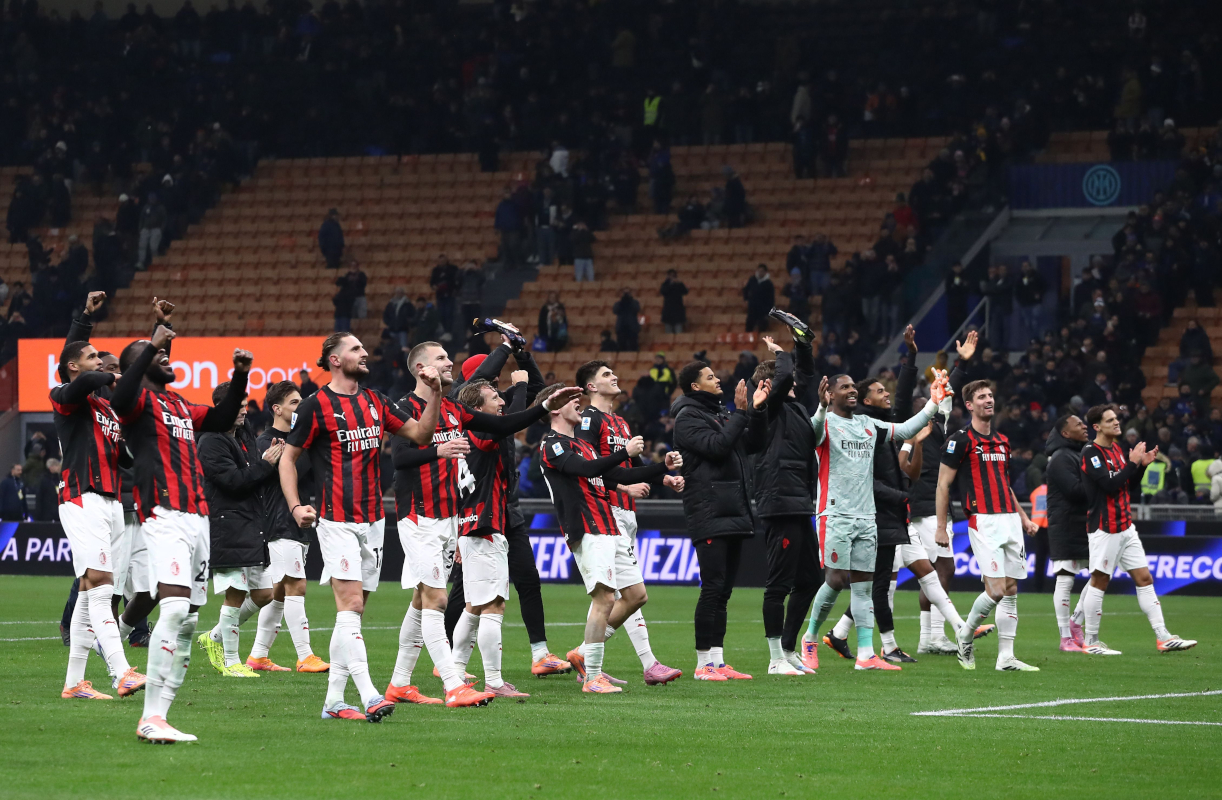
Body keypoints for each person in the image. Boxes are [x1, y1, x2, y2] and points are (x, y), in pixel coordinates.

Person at [387, 340, 579, 708]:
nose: (450, 363)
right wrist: (436, 450)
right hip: (418, 513)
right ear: (421, 368)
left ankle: (400, 683)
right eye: (442, 358)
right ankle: (453, 683)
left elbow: (505, 424)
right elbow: (400, 459)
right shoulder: (404, 407)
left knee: (421, 599)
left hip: (450, 516)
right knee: (438, 599)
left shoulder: (454, 409)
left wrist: (544, 405)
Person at [278, 332, 443, 723]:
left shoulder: (375, 401)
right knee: (350, 605)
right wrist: (297, 505)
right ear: (335, 360)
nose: (364, 353)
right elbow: (288, 459)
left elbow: (421, 434)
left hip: (372, 520)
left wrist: (434, 394)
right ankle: (369, 694)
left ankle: (334, 702)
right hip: (335, 520)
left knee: (352, 614)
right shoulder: (316, 405)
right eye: (355, 349)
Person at [111, 301, 252, 743]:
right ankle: (150, 716)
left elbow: (223, 418)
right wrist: (153, 339)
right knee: (172, 609)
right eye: (157, 356)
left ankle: (163, 714)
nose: (167, 359)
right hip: (164, 513)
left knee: (189, 619)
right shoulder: (136, 404)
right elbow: (119, 398)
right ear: (140, 365)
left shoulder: (177, 404)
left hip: (198, 519)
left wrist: (240, 376)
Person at [824, 328, 986, 664]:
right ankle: (881, 644)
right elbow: (868, 479)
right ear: (865, 401)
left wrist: (916, 356)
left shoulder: (883, 424)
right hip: (877, 514)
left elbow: (931, 402)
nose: (888, 395)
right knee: (879, 585)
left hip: (898, 512)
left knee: (920, 573)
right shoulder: (863, 428)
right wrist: (902, 497)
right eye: (878, 391)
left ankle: (955, 629)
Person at [537, 384, 682, 693]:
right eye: (568, 400)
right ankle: (593, 677)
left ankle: (583, 655)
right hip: (586, 528)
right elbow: (584, 469)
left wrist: (661, 469)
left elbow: (619, 476)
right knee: (604, 598)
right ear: (553, 409)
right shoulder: (553, 444)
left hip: (609, 525)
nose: (577, 402)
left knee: (636, 595)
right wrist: (622, 453)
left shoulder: (584, 445)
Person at [802, 371, 949, 672]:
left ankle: (866, 654)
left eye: (854, 386)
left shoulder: (868, 425)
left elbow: (908, 427)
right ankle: (810, 637)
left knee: (863, 587)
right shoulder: (826, 423)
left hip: (867, 518)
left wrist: (934, 403)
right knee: (835, 580)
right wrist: (819, 407)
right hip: (835, 516)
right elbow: (813, 432)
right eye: (844, 387)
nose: (852, 390)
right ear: (830, 394)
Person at [445, 345, 567, 677]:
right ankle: (457, 663)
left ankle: (539, 653)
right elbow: (510, 422)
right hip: (481, 509)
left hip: (502, 505)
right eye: (492, 384)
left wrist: (524, 357)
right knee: (474, 597)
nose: (499, 391)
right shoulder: (473, 415)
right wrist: (517, 374)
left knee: (525, 578)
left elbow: (540, 395)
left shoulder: (492, 407)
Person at [574, 360, 684, 685]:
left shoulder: (620, 421)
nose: (614, 377)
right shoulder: (589, 420)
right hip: (605, 513)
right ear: (591, 386)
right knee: (629, 594)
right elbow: (589, 467)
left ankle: (636, 663)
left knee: (628, 593)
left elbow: (634, 464)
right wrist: (622, 487)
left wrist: (664, 475)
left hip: (626, 513)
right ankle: (595, 654)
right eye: (606, 374)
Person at [53, 326, 147, 701]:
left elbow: (123, 459)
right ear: (73, 366)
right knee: (102, 583)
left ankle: (75, 683)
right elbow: (85, 381)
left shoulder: (106, 409)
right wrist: (111, 372)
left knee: (92, 588)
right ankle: (120, 671)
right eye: (93, 357)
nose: (101, 364)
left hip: (111, 502)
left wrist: (126, 446)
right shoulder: (66, 396)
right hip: (81, 497)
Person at [671, 362, 769, 680]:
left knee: (724, 591)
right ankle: (702, 664)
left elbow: (753, 445)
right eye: (710, 377)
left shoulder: (721, 413)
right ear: (695, 387)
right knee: (712, 587)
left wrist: (755, 411)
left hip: (734, 509)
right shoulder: (687, 418)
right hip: (709, 509)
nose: (718, 380)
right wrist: (740, 413)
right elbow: (716, 448)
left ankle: (718, 660)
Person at [936, 380, 1042, 672]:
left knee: (1010, 589)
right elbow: (943, 485)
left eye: (991, 395)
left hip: (1009, 519)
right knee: (995, 590)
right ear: (969, 405)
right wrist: (942, 527)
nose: (988, 400)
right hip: (982, 519)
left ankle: (1006, 657)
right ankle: (965, 635)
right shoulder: (960, 440)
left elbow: (1004, 485)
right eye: (981, 397)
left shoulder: (1003, 441)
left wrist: (1022, 517)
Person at [1080, 404, 1197, 654]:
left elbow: (1128, 486)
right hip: (1105, 526)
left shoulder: (1118, 449)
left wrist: (1141, 465)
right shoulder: (1091, 452)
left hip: (1125, 526)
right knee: (1099, 581)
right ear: (1097, 427)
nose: (1116, 422)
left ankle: (1163, 636)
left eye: (1116, 418)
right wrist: (1132, 465)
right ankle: (1090, 641)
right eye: (1110, 419)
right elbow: (1109, 486)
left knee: (1145, 579)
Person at [446, 378, 534, 699]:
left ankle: (455, 671)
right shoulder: (481, 432)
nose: (501, 402)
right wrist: (522, 388)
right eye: (494, 397)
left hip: (470, 527)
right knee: (494, 605)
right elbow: (512, 422)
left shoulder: (464, 436)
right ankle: (495, 682)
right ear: (478, 408)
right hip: (486, 526)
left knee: (473, 605)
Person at [197, 382, 283, 677]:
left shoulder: (243, 434)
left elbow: (250, 475)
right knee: (235, 593)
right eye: (239, 404)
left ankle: (214, 637)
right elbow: (233, 480)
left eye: (246, 404)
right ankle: (232, 662)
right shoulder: (210, 440)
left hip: (252, 522)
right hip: (227, 523)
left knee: (264, 593)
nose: (245, 409)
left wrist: (263, 465)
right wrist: (265, 466)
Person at [752, 329, 820, 675]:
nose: (794, 381)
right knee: (779, 583)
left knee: (811, 579)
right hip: (779, 501)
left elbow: (803, 376)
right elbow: (784, 382)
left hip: (799, 501)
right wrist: (781, 353)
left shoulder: (794, 408)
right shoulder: (768, 409)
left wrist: (803, 345)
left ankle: (789, 649)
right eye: (785, 377)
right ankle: (775, 658)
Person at [253, 381, 328, 672]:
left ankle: (258, 655)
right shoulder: (266, 442)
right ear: (277, 409)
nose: (300, 407)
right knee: (295, 584)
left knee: (280, 591)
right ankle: (305, 656)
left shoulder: (301, 443)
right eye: (294, 403)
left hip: (300, 520)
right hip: (279, 521)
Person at [910, 333, 974, 653]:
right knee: (942, 570)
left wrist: (961, 362)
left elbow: (947, 392)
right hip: (927, 505)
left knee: (930, 573)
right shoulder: (921, 429)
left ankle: (928, 639)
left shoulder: (929, 427)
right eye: (926, 405)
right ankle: (935, 636)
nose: (934, 405)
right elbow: (945, 397)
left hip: (921, 506)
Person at [1045, 413, 1091, 652]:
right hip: (1065, 525)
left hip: (1083, 524)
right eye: (1079, 424)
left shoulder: (1077, 453)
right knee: (1065, 580)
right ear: (1065, 433)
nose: (1085, 426)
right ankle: (1065, 637)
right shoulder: (1062, 458)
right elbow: (1074, 491)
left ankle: (1075, 622)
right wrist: (1100, 483)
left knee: (1100, 575)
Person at [429, 254, 459, 336]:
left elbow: (457, 280)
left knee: (449, 313)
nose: (442, 262)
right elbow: (432, 282)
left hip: (450, 295)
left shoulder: (453, 269)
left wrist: (455, 289)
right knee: (441, 314)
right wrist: (434, 286)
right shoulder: (436, 270)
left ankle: (449, 331)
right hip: (440, 296)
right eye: (440, 261)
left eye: (443, 260)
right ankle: (444, 330)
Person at [743, 264, 774, 333]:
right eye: (759, 271)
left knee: (762, 328)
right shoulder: (752, 280)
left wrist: (768, 311)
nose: (760, 273)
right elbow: (745, 290)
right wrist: (746, 299)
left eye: (762, 271)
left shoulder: (769, 284)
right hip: (752, 308)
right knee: (749, 326)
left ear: (765, 272)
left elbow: (771, 299)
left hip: (763, 309)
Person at [613, 288, 641, 352]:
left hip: (632, 327)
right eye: (624, 293)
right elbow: (615, 310)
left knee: (633, 345)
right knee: (621, 346)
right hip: (621, 327)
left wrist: (630, 300)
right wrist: (622, 300)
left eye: (627, 293)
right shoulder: (618, 303)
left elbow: (637, 309)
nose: (626, 295)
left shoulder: (635, 302)